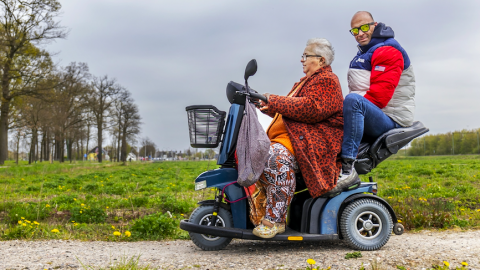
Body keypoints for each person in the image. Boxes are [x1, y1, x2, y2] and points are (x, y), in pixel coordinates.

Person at [249, 38, 344, 238]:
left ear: (321, 60)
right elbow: (292, 111)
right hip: (293, 140)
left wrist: (273, 100)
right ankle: (260, 208)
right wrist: (267, 106)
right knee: (257, 152)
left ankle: (276, 220)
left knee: (275, 158)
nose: (302, 60)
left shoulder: (328, 80)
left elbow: (311, 108)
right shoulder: (304, 82)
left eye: (305, 56)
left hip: (313, 145)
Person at [338, 11, 416, 181]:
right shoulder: (365, 52)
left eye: (364, 27)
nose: (360, 34)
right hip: (376, 113)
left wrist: (349, 113)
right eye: (355, 31)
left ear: (375, 25)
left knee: (352, 102)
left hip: (391, 117)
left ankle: (347, 168)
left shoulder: (388, 50)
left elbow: (379, 97)